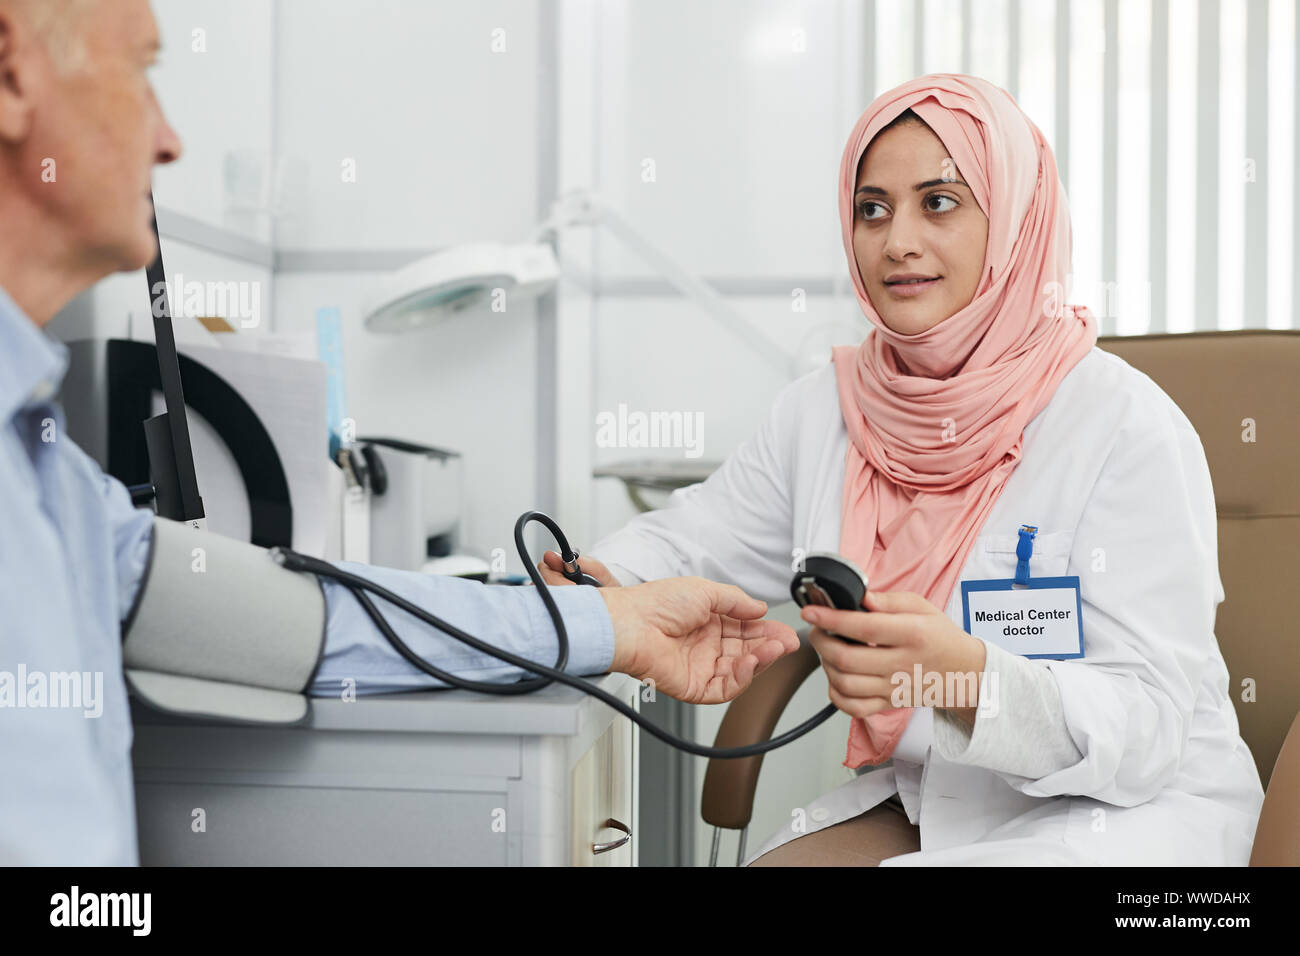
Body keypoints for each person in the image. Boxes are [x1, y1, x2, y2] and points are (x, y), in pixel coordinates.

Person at [0, 0, 799, 865]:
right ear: (11, 73)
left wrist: (611, 625)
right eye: (141, 72)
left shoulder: (58, 490)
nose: (169, 140)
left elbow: (311, 617)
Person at [540, 73, 1266, 866]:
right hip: (934, 800)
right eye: (872, 208)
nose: (898, 241)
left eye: (941, 201)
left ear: (1015, 220)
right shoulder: (826, 409)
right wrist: (592, 589)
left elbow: (1145, 728)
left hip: (1125, 815)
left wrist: (962, 678)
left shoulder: (1127, 425)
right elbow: (689, 543)